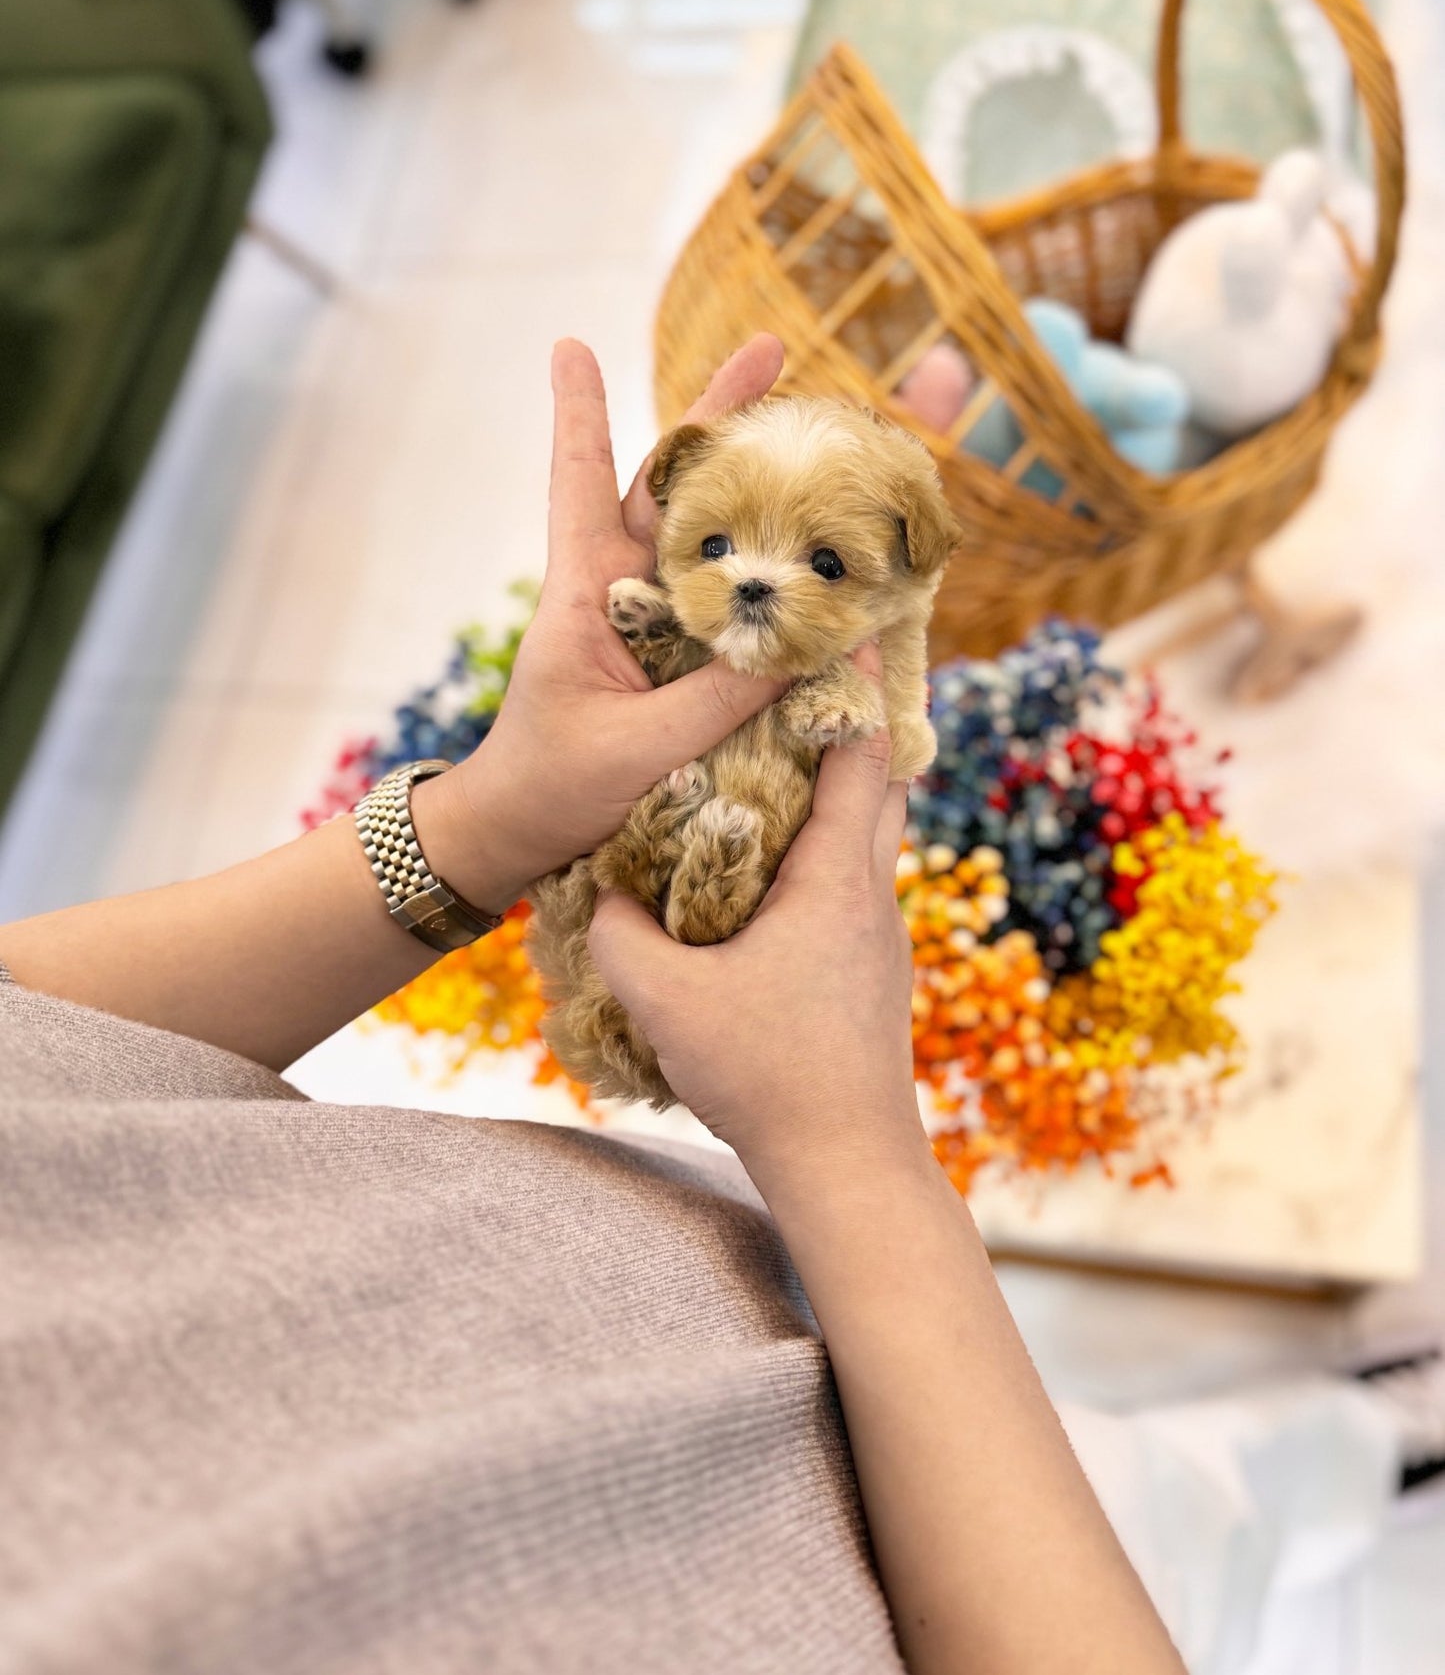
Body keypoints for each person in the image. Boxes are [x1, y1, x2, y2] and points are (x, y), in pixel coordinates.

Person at [2, 337, 1434, 1673]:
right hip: (963, 1558)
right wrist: (852, 1150)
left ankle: (1347, 1442)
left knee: (1192, 1480)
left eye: (810, 553)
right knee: (1182, 1535)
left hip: (843, 1306)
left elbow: (32, 1033)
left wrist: (475, 827)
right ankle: (1349, 1454)